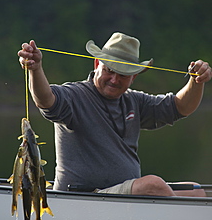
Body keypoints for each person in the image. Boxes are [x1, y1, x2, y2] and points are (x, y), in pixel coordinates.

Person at [18, 32, 212, 197]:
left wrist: (197, 82)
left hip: (122, 200)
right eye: (109, 71)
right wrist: (35, 69)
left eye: (123, 75)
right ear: (96, 64)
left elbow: (180, 107)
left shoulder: (134, 101)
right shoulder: (75, 96)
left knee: (197, 192)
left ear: (134, 77)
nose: (114, 79)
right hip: (83, 198)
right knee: (153, 185)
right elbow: (46, 100)